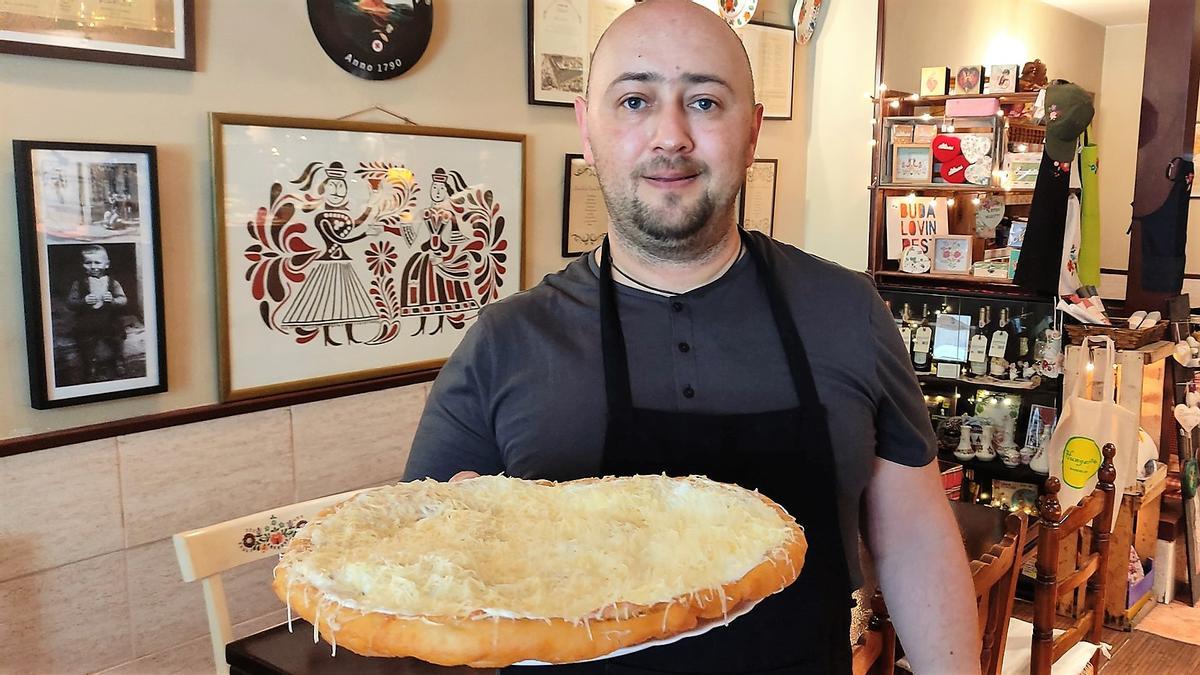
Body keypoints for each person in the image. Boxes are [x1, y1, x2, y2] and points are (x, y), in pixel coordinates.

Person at [403, 1, 980, 672]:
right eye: (635, 101)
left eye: (704, 102)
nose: (670, 135)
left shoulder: (847, 309)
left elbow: (912, 536)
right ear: (588, 131)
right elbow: (424, 584)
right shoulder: (506, 342)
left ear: (753, 130)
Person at [66, 245, 128, 381]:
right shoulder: (79, 283)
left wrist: (113, 300)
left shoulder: (113, 283)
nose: (93, 266)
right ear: (83, 264)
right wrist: (83, 301)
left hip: (109, 317)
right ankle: (91, 366)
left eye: (97, 262)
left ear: (107, 264)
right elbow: (70, 303)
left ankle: (119, 360)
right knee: (85, 340)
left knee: (117, 335)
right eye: (88, 262)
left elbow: (123, 299)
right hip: (87, 318)